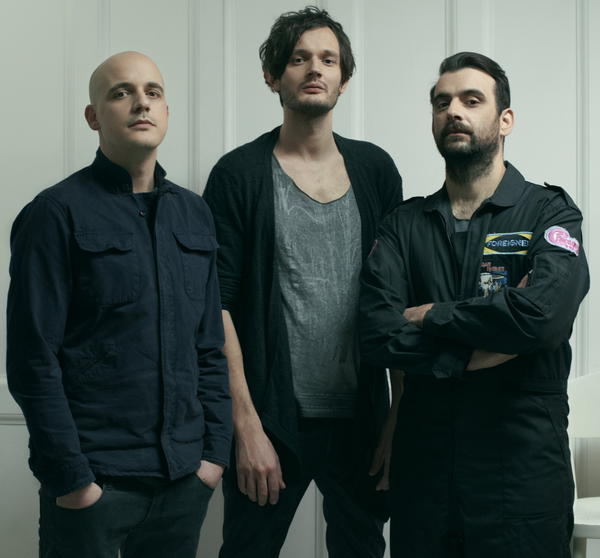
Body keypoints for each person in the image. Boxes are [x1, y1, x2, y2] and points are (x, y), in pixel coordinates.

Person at [359, 52, 590, 558]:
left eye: (471, 100)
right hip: (425, 479)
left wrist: (432, 315)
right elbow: (375, 332)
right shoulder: (403, 225)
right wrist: (477, 349)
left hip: (521, 477)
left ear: (505, 120)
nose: (453, 111)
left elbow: (542, 317)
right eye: (442, 103)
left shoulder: (549, 212)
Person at [6, 51, 232, 558]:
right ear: (93, 117)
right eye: (121, 92)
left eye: (153, 92)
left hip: (184, 482)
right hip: (95, 485)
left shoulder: (194, 214)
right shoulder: (54, 213)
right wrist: (74, 481)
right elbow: (31, 359)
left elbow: (208, 347)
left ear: (167, 111)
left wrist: (213, 458)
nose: (141, 103)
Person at [203, 6, 403, 558]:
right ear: (273, 76)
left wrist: (397, 416)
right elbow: (216, 305)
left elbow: (399, 298)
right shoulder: (239, 174)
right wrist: (246, 427)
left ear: (344, 78)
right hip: (272, 419)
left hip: (361, 418)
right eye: (299, 58)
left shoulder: (376, 170)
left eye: (328, 59)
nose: (315, 68)